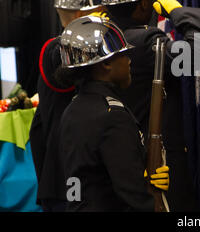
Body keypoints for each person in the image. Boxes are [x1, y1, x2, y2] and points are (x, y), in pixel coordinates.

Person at [100, 0, 200, 211]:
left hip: (121, 167)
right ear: (143, 3)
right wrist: (177, 12)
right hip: (158, 166)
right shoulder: (144, 42)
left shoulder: (102, 41)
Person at [56, 15, 169, 211]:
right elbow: (133, 196)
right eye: (123, 55)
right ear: (106, 64)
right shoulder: (112, 116)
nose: (129, 62)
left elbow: (82, 183)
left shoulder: (72, 110)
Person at [29, 0, 107, 211]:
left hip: (79, 181)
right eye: (99, 10)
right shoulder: (56, 51)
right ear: (79, 15)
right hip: (66, 183)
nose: (105, 15)